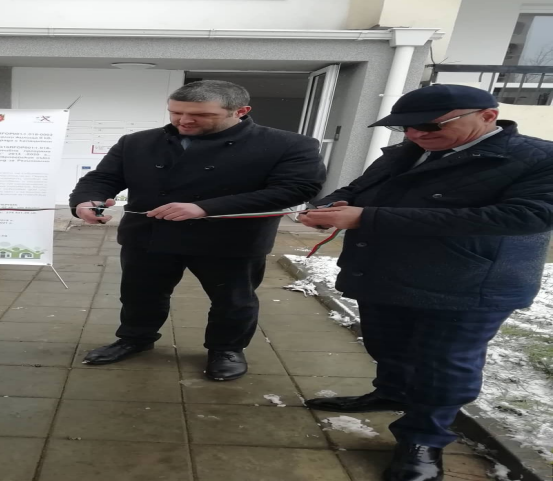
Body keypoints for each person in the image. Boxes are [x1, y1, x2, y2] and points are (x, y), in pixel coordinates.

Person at [299, 84, 553, 481]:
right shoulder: (406, 152)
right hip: (385, 272)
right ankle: (392, 392)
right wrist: (329, 205)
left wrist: (367, 217)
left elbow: (523, 217)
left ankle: (423, 440)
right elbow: (361, 190)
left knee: (443, 365)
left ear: (488, 116)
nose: (416, 134)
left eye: (430, 126)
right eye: (405, 127)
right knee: (387, 345)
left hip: (467, 283)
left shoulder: (539, 158)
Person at [70, 80, 326, 381]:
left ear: (240, 111)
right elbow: (102, 178)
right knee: (140, 294)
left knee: (233, 301)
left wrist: (206, 207)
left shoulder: (289, 144)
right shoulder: (137, 142)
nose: (184, 121)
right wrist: (87, 200)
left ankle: (226, 349)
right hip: (150, 235)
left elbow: (296, 189)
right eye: (175, 112)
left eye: (201, 115)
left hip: (230, 239)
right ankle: (135, 338)